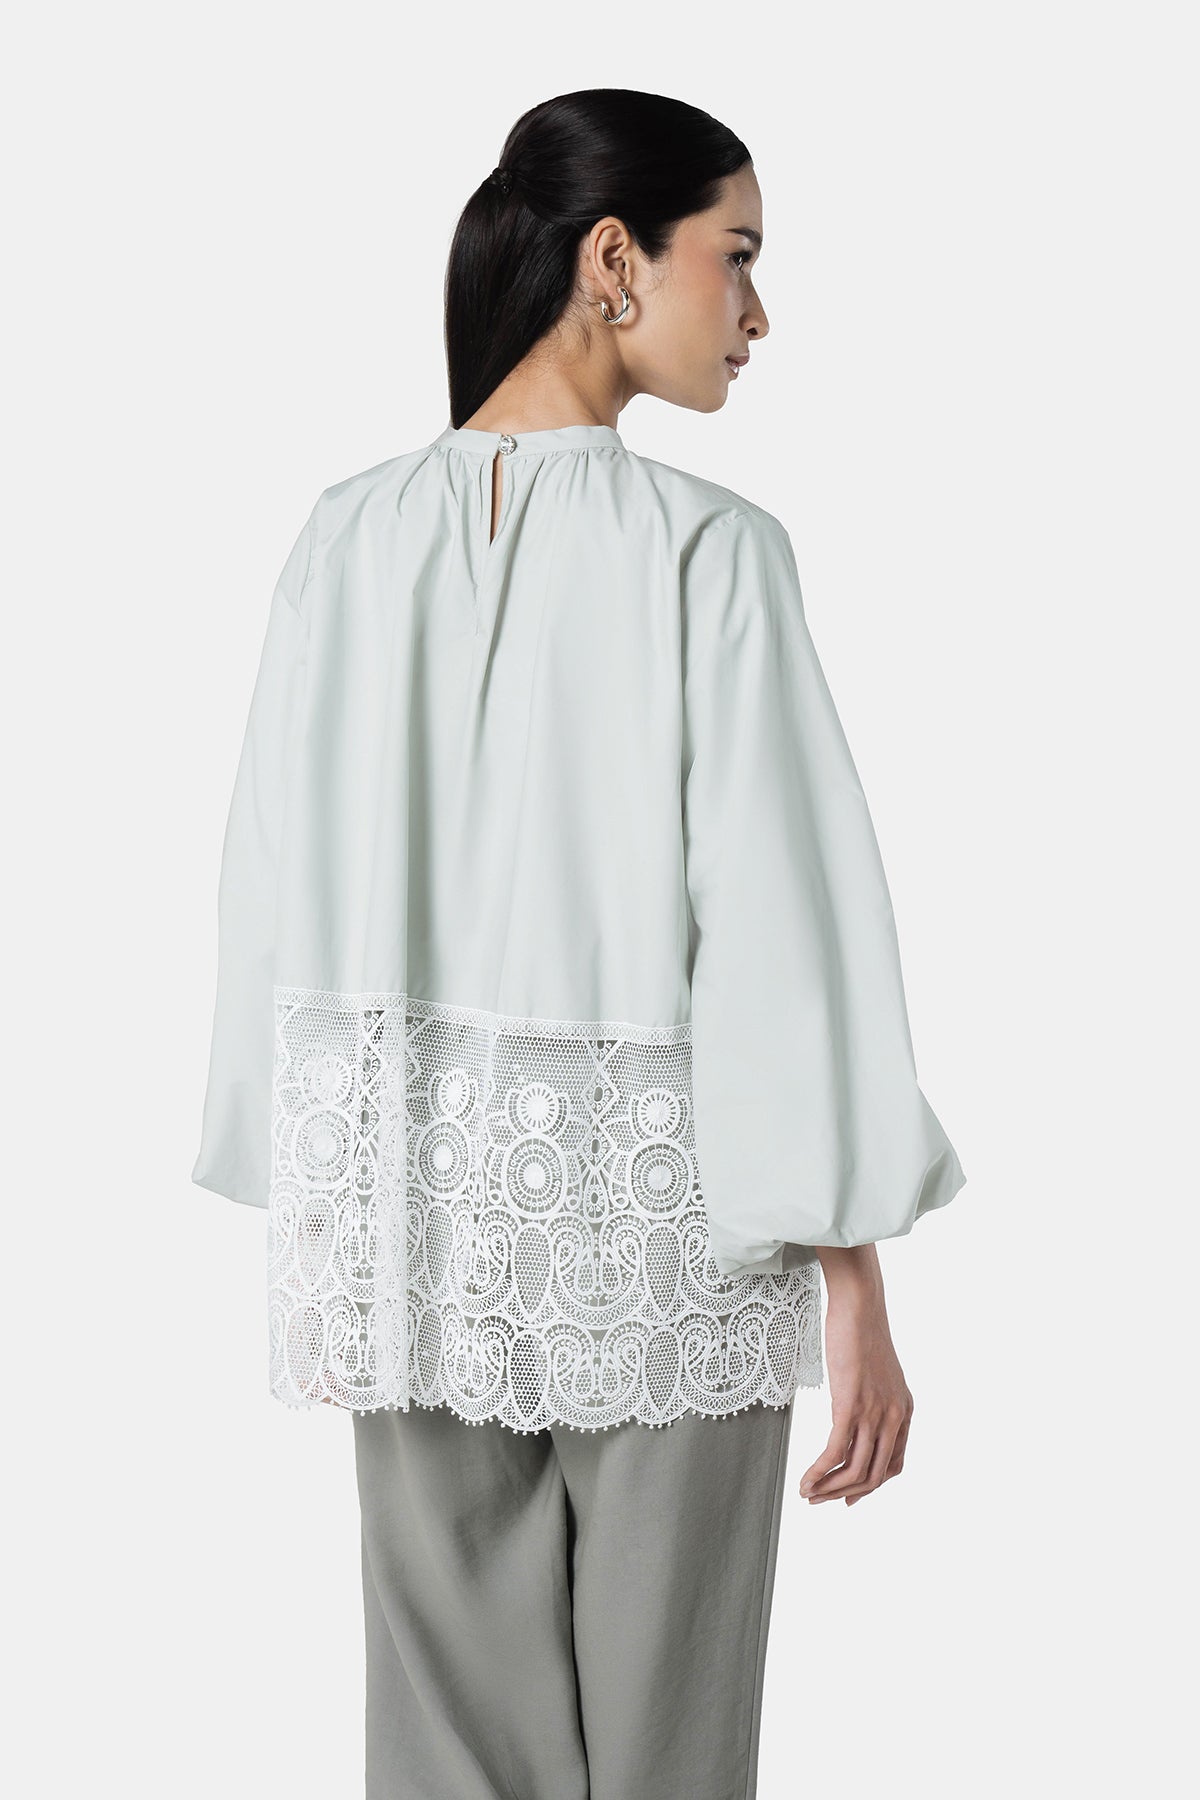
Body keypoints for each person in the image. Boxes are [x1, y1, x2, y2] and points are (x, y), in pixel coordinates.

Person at [192, 87, 966, 1800]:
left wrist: (322, 1190)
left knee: (450, 1763)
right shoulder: (710, 556)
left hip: (411, 1238)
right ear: (615, 259)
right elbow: (786, 928)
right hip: (676, 1248)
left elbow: (270, 899)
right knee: (668, 1760)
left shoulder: (342, 539)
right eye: (735, 258)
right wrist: (854, 1273)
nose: (758, 313)